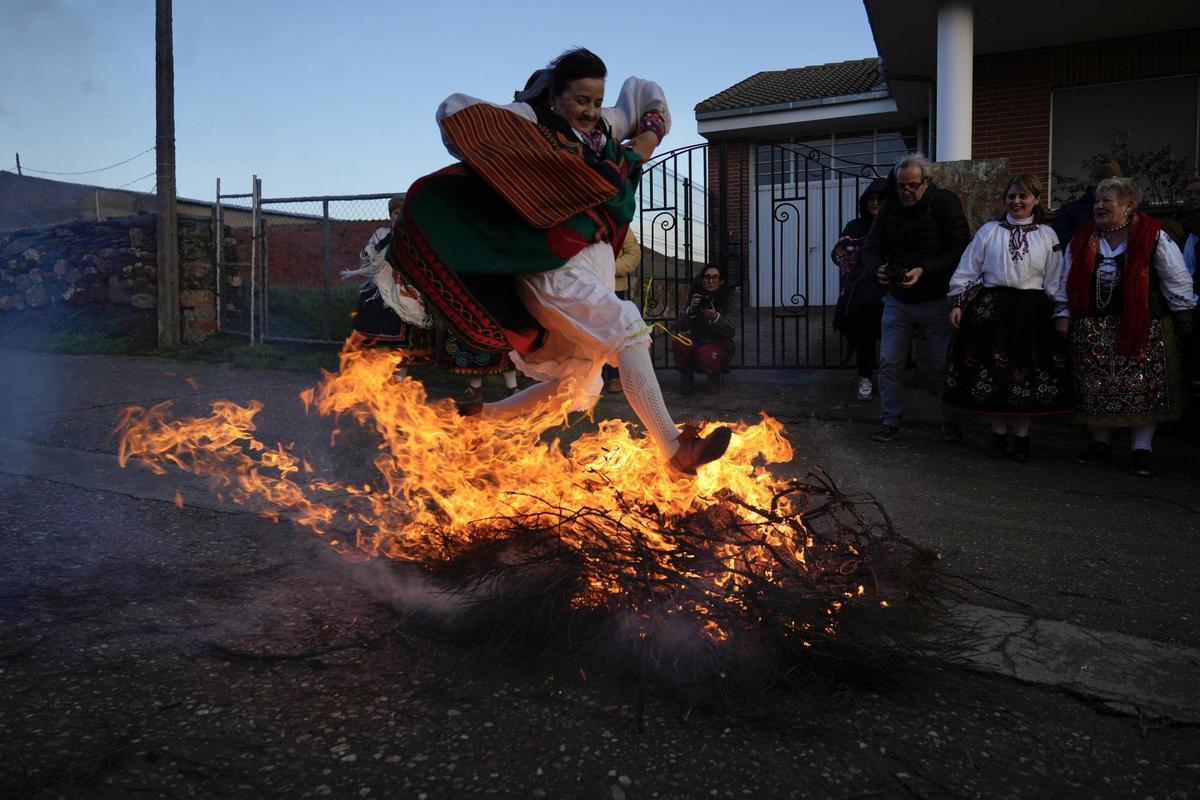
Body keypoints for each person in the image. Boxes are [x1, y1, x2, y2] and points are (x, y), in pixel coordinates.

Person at [388, 48, 731, 475]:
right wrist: (528, 133)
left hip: (597, 263)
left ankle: (479, 418)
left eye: (596, 100)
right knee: (626, 325)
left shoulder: (604, 127)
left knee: (576, 381)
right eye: (580, 101)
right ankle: (676, 449)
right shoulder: (532, 120)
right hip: (551, 267)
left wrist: (646, 140)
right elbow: (454, 114)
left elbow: (645, 92)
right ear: (554, 97)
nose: (590, 111)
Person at [1054, 176, 1196, 477]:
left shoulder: (1152, 235)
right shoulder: (1082, 238)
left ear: (1128, 206)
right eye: (1097, 201)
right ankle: (1100, 442)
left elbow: (1176, 277)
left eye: (1107, 201)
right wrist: (1062, 312)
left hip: (1142, 327)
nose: (1099, 206)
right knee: (1095, 386)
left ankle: (1141, 448)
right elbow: (1066, 278)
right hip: (1091, 328)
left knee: (1143, 387)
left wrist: (1183, 312)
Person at [945, 174, 1072, 461]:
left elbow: (1056, 277)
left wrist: (1060, 311)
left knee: (1025, 374)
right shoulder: (989, 231)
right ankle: (999, 436)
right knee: (994, 373)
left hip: (1032, 312)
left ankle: (1022, 439)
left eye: (1023, 196)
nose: (1016, 201)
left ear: (1036, 200)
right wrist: (959, 303)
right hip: (993, 311)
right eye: (1011, 196)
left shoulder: (1047, 235)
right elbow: (968, 268)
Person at [861, 153, 971, 443]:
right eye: (901, 186)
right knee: (889, 363)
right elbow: (870, 248)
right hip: (898, 299)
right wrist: (878, 269)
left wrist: (925, 270)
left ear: (926, 182)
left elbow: (959, 248)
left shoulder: (944, 202)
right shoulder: (890, 207)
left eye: (912, 185)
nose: (906, 191)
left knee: (943, 365)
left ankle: (951, 421)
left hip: (937, 297)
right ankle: (889, 420)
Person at [343, 194, 434, 374]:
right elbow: (366, 257)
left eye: (402, 213)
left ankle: (400, 378)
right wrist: (383, 244)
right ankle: (376, 375)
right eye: (395, 213)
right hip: (380, 287)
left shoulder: (416, 237)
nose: (397, 217)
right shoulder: (381, 233)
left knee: (403, 341)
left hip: (406, 289)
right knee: (373, 323)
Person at [832, 179, 886, 401]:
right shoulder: (854, 226)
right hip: (862, 294)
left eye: (880, 199)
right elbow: (837, 253)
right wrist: (850, 258)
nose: (875, 203)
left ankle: (889, 379)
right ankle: (865, 378)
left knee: (893, 339)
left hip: (890, 291)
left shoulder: (894, 224)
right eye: (871, 200)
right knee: (865, 338)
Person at [673, 265, 735, 395]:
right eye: (707, 277)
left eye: (715, 277)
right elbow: (681, 327)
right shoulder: (695, 295)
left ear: (721, 281)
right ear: (702, 279)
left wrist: (716, 317)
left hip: (718, 342)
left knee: (707, 352)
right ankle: (686, 378)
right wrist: (690, 310)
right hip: (697, 338)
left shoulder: (728, 299)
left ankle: (713, 379)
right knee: (680, 342)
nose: (711, 281)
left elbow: (730, 331)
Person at [602, 229, 641, 394]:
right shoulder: (583, 220)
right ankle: (593, 376)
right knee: (589, 331)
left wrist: (610, 268)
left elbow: (634, 253)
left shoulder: (619, 224)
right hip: (587, 285)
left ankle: (614, 375)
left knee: (615, 333)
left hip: (615, 287)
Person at [1053, 160, 1121, 249]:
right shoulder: (1070, 211)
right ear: (1094, 188)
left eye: (1115, 188)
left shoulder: (1129, 210)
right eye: (1106, 188)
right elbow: (1060, 243)